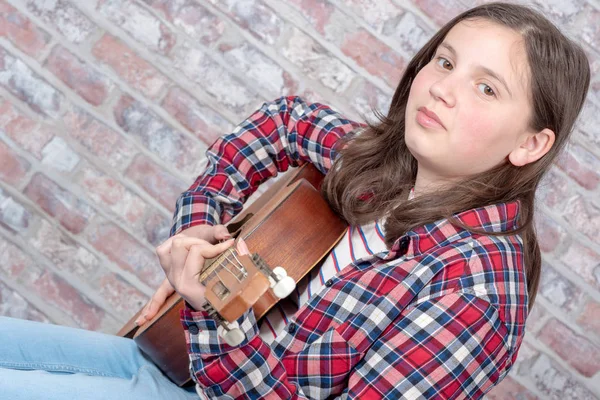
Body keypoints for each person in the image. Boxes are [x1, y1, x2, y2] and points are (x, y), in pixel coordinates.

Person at [0, 2, 590, 399]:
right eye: (445, 61)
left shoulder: (474, 297)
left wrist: (220, 309)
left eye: (486, 88)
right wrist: (199, 232)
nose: (442, 88)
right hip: (171, 361)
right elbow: (283, 122)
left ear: (530, 143)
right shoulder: (382, 167)